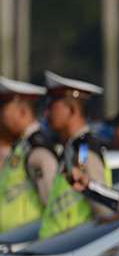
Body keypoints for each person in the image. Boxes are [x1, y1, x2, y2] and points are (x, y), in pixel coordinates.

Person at [39, 71, 113, 239]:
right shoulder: (73, 148)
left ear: (72, 110)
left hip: (71, 252)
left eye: (52, 107)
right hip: (58, 249)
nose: (46, 113)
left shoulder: (83, 151)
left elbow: (103, 211)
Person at [0, 77, 57, 231]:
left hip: (28, 243)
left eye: (3, 110)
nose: (1, 117)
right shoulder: (21, 147)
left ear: (23, 112)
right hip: (12, 242)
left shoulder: (37, 151)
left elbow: (52, 205)